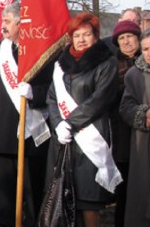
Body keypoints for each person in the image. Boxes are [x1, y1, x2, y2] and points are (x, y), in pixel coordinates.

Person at [0, 3, 52, 227]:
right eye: (2, 21)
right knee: (5, 190)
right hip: (1, 129)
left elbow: (52, 88)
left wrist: (34, 94)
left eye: (7, 21)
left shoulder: (41, 50)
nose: (3, 26)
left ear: (22, 23)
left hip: (30, 131)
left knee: (32, 188)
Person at [46, 12, 120, 227]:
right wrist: (58, 123)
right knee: (61, 193)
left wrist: (70, 122)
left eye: (86, 34)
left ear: (96, 36)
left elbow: (100, 98)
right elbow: (52, 96)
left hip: (91, 133)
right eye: (76, 35)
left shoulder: (106, 62)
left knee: (88, 197)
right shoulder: (61, 65)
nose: (81, 39)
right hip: (63, 136)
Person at [110, 20, 142, 227]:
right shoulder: (112, 65)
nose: (126, 41)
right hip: (122, 134)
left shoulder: (145, 60)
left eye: (130, 36)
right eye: (121, 38)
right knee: (125, 189)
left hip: (144, 133)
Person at [119, 28, 150, 227]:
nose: (148, 53)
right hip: (144, 146)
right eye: (146, 49)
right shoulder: (134, 74)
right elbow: (125, 107)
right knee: (143, 196)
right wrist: (144, 114)